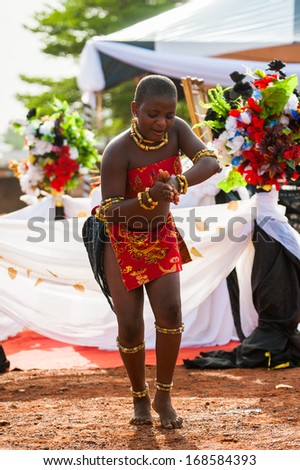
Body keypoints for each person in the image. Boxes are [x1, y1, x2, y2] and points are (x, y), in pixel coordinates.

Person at [87, 74, 220, 429]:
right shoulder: (117, 150)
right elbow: (107, 209)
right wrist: (149, 197)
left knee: (171, 314)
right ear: (135, 110)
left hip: (161, 235)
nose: (161, 123)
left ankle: (164, 394)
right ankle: (139, 395)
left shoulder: (176, 130)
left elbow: (210, 161)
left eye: (167, 115)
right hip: (120, 242)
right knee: (130, 327)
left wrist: (179, 181)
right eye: (152, 115)